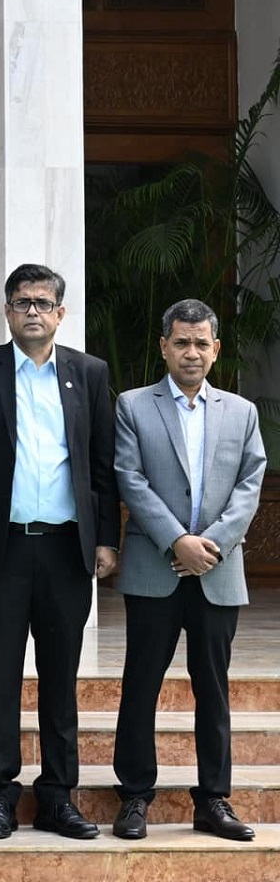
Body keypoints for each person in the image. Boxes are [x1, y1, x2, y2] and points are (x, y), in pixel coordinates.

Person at [0, 263, 119, 841]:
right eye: (21, 302)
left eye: (43, 303)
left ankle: (57, 797)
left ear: (60, 313)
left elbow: (103, 465)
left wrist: (106, 539)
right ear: (6, 311)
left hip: (66, 551)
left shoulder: (89, 373)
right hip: (0, 551)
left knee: (60, 679)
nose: (32, 311)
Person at [111, 299, 264, 841]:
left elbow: (250, 485)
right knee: (141, 684)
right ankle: (134, 797)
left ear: (216, 350)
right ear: (164, 347)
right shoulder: (133, 406)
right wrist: (177, 540)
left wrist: (211, 546)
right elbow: (129, 478)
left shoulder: (241, 412)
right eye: (182, 342)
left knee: (213, 688)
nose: (192, 352)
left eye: (202, 343)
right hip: (155, 569)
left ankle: (214, 801)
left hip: (218, 574)